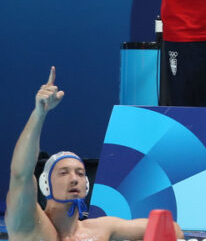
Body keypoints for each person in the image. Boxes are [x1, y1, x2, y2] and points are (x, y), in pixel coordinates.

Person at [6, 67, 184, 240]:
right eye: (63, 173)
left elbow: (172, 229)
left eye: (80, 173)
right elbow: (20, 175)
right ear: (45, 184)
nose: (74, 179)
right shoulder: (30, 225)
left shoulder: (101, 230)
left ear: (86, 185)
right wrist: (39, 114)